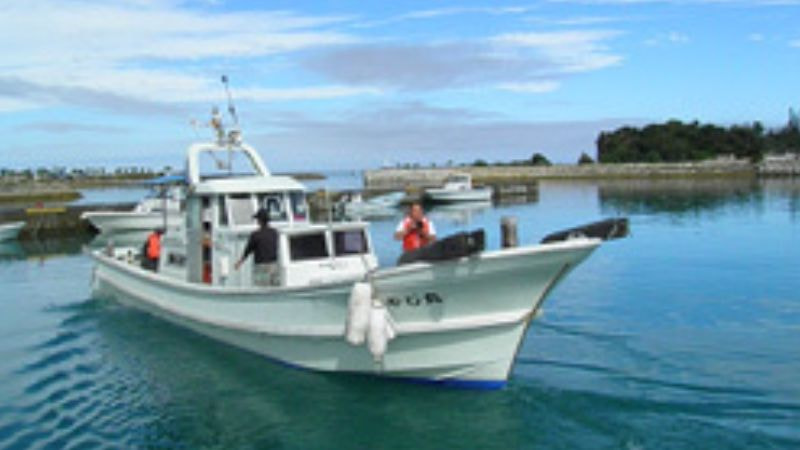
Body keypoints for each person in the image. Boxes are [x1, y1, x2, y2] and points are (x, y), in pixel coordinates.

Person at [235, 207, 279, 286]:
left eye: (257, 219)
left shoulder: (255, 235)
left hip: (261, 267)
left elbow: (248, 250)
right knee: (274, 289)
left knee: (262, 290)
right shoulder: (275, 233)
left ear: (260, 220)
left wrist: (240, 262)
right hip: (274, 266)